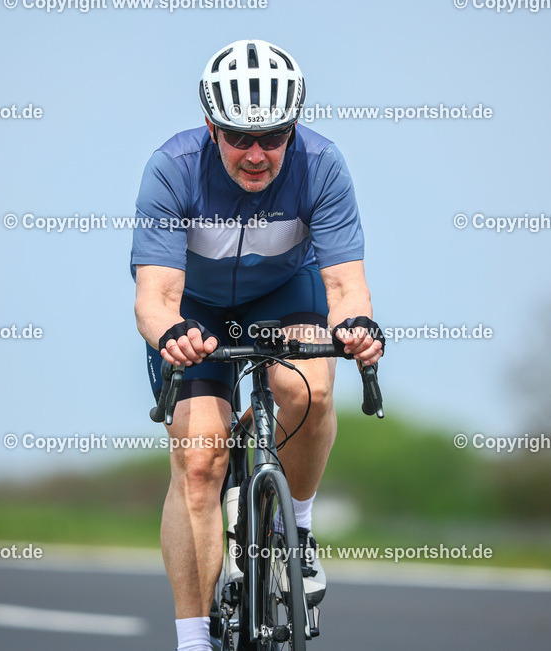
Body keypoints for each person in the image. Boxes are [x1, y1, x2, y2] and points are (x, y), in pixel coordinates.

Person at [131, 39, 384, 651]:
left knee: (312, 390)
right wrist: (172, 335)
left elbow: (347, 286)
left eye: (273, 136)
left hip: (283, 295)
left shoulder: (322, 165)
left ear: (293, 128)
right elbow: (156, 298)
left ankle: (296, 530)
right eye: (238, 137)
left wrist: (355, 329)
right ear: (211, 127)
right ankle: (194, 640)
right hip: (194, 309)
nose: (256, 154)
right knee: (198, 462)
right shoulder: (171, 167)